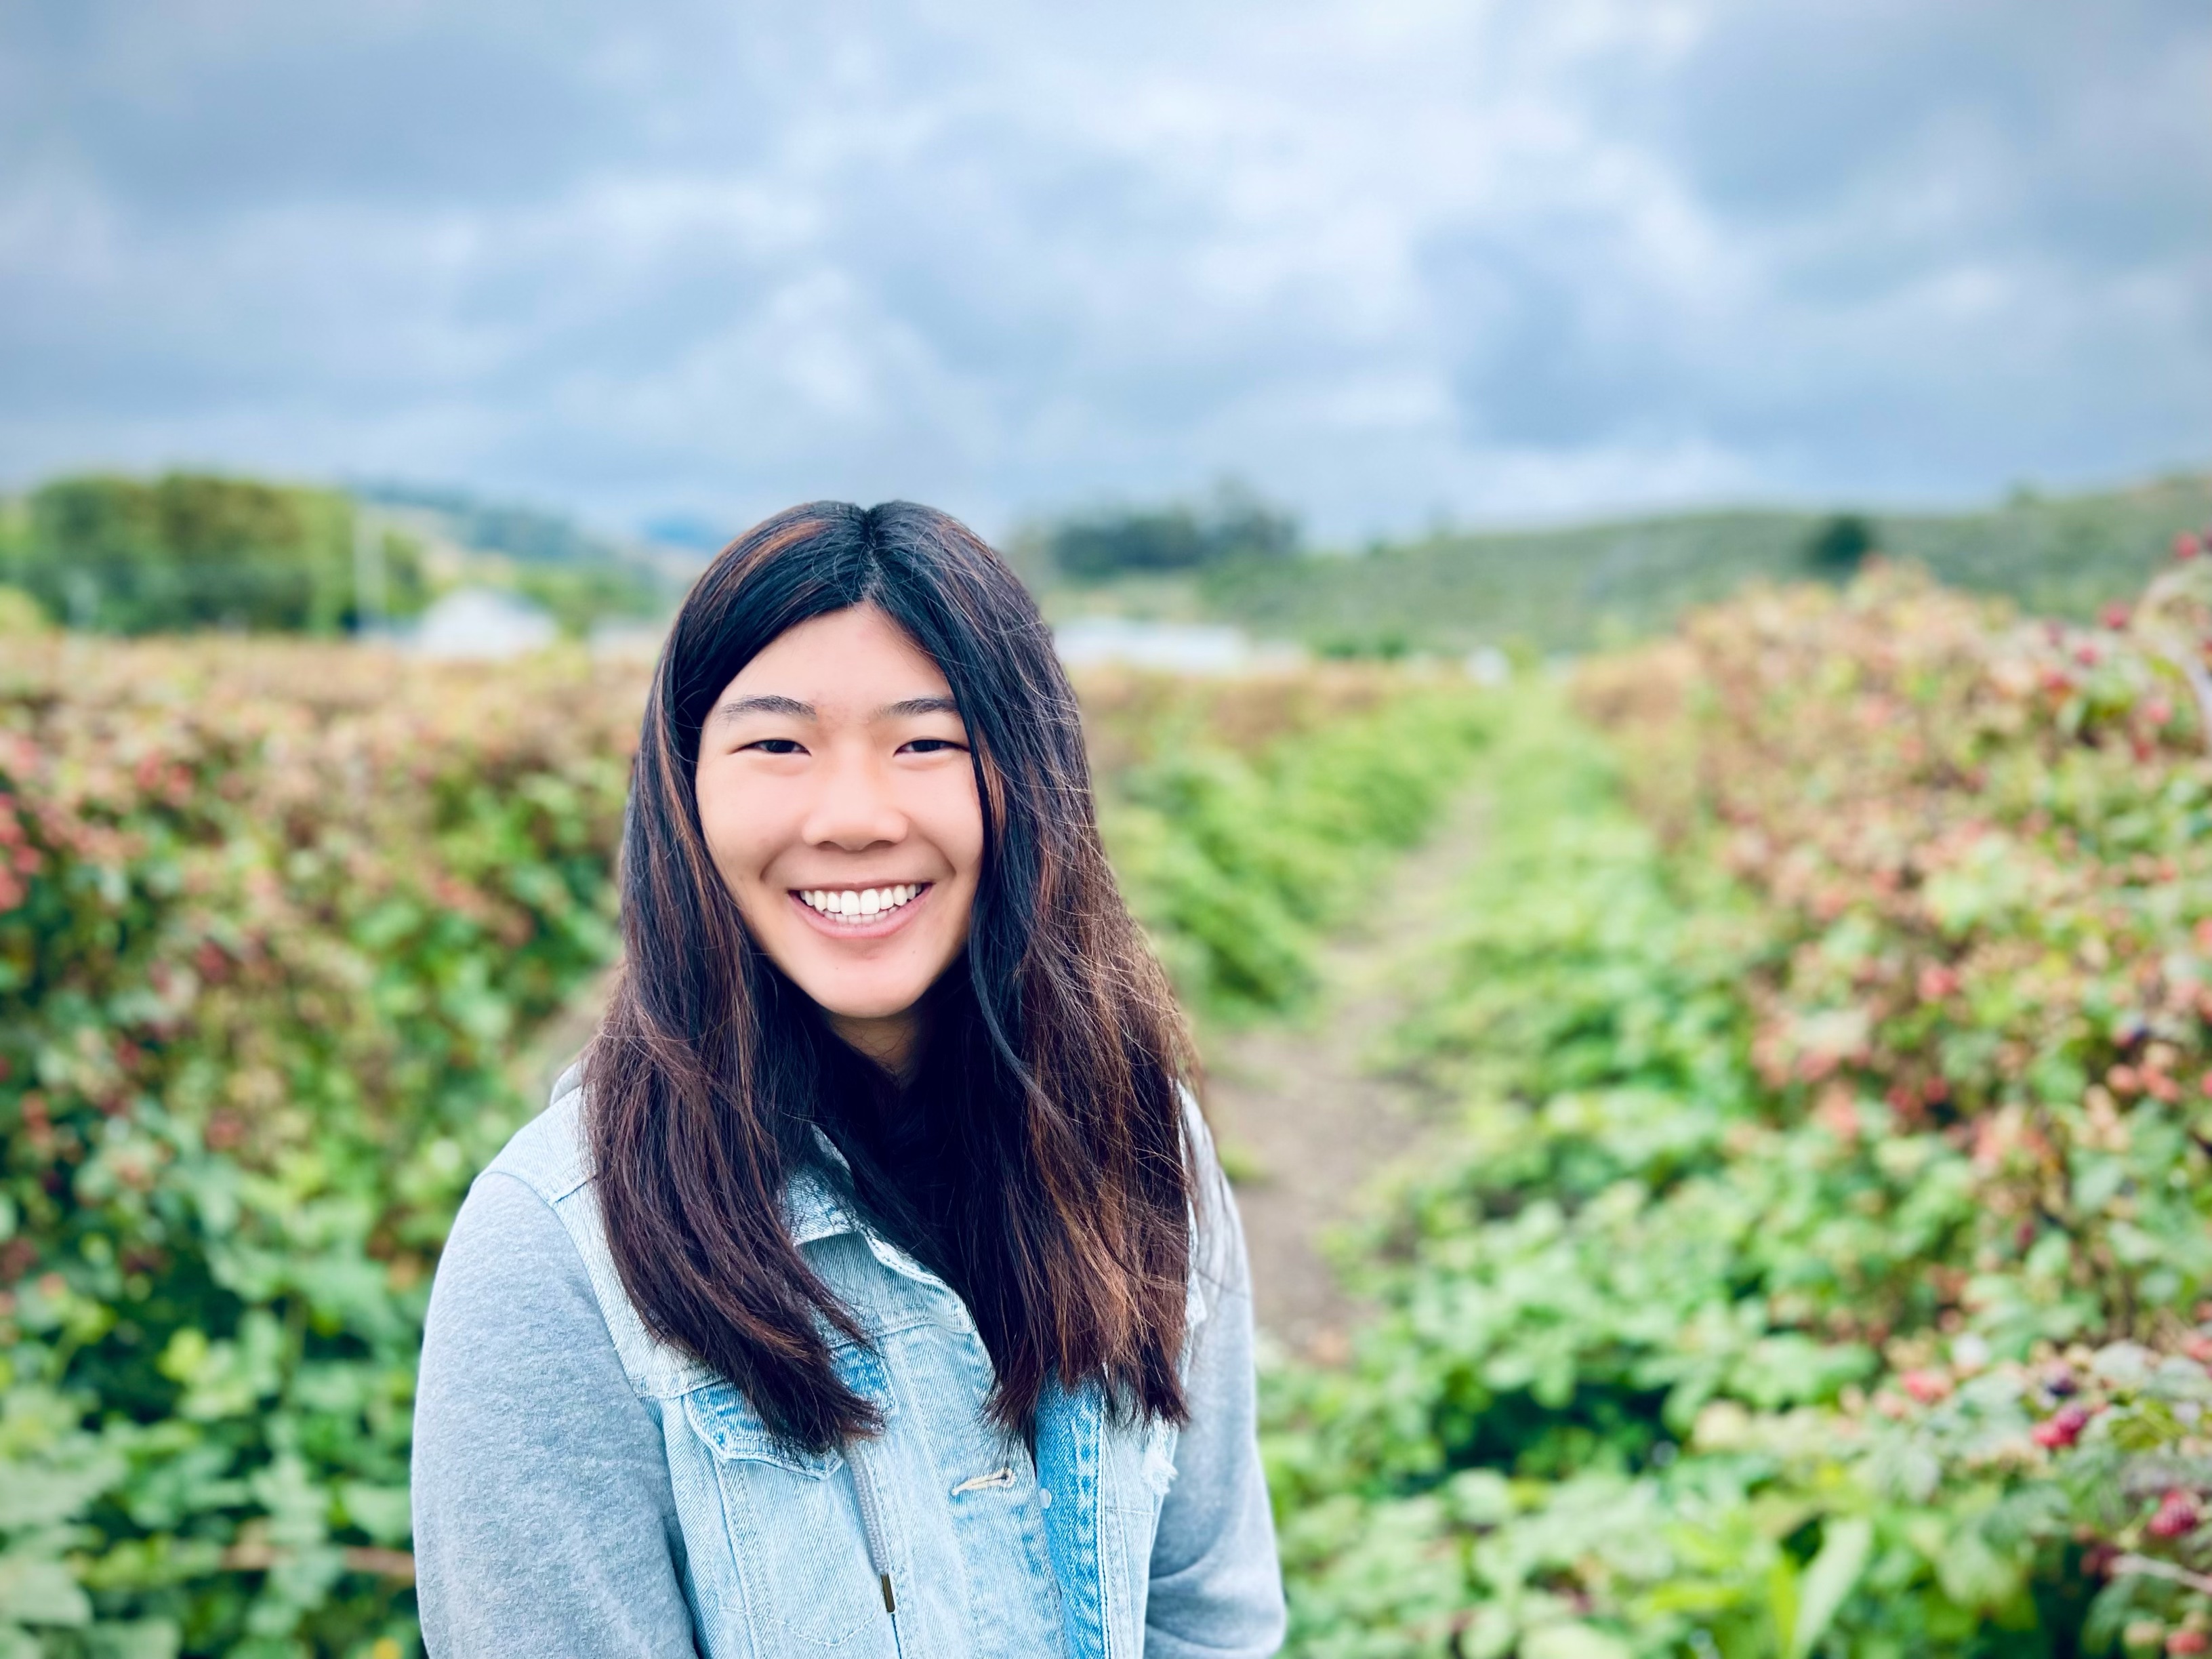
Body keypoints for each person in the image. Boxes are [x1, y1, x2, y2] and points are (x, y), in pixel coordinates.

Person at [411, 501, 1285, 1658]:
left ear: (1031, 781)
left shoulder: (1140, 1144)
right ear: (683, 795)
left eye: (927, 742)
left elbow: (1204, 1619)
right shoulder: (553, 1253)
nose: (857, 819)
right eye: (777, 745)